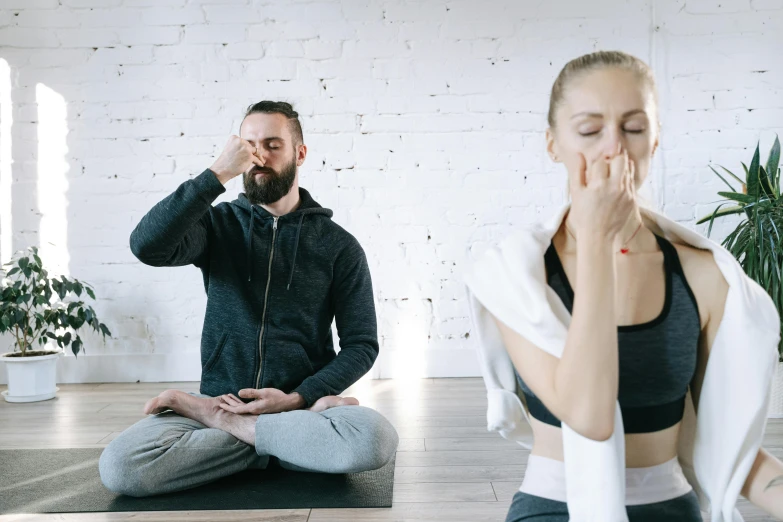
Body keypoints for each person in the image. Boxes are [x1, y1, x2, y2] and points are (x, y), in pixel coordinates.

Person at [464, 51, 783, 521]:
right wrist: (596, 240)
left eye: (634, 128)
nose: (613, 147)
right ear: (553, 144)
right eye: (590, 130)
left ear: (654, 142)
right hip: (554, 508)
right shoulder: (514, 274)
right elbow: (589, 416)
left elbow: (727, 441)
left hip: (671, 507)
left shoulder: (703, 276)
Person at [98, 101, 398, 497]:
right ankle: (276, 445)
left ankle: (242, 433)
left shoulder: (339, 246)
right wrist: (217, 173)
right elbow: (146, 246)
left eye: (273, 145)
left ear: (300, 154)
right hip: (222, 401)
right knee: (121, 468)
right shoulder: (217, 225)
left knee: (374, 439)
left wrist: (299, 397)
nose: (259, 155)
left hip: (297, 409)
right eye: (249, 145)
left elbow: (361, 344)